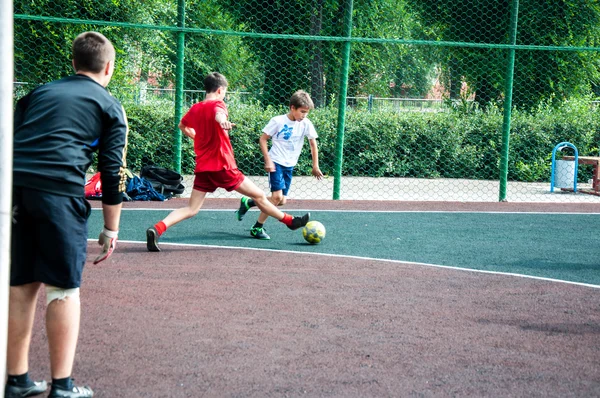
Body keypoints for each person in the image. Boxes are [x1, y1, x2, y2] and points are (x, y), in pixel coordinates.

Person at [7, 31, 128, 398]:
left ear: (73, 64)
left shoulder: (38, 94)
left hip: (14, 190)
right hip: (58, 192)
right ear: (109, 67)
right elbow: (112, 172)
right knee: (63, 288)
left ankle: (17, 380)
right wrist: (111, 229)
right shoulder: (109, 105)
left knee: (21, 285)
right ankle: (62, 386)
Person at [145, 72, 310, 252]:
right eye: (225, 91)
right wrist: (223, 122)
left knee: (191, 209)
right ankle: (290, 221)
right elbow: (218, 114)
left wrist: (195, 135)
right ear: (220, 90)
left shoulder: (195, 108)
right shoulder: (218, 104)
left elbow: (182, 126)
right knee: (260, 196)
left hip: (203, 168)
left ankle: (157, 228)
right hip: (223, 166)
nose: (225, 95)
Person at [235, 90, 323, 240]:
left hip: (290, 165)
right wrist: (268, 160)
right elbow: (263, 139)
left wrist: (315, 166)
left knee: (282, 201)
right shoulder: (278, 121)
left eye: (307, 113)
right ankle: (257, 227)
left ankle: (249, 202)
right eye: (302, 112)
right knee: (276, 198)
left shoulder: (306, 124)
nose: (304, 115)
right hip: (276, 162)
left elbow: (313, 144)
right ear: (292, 107)